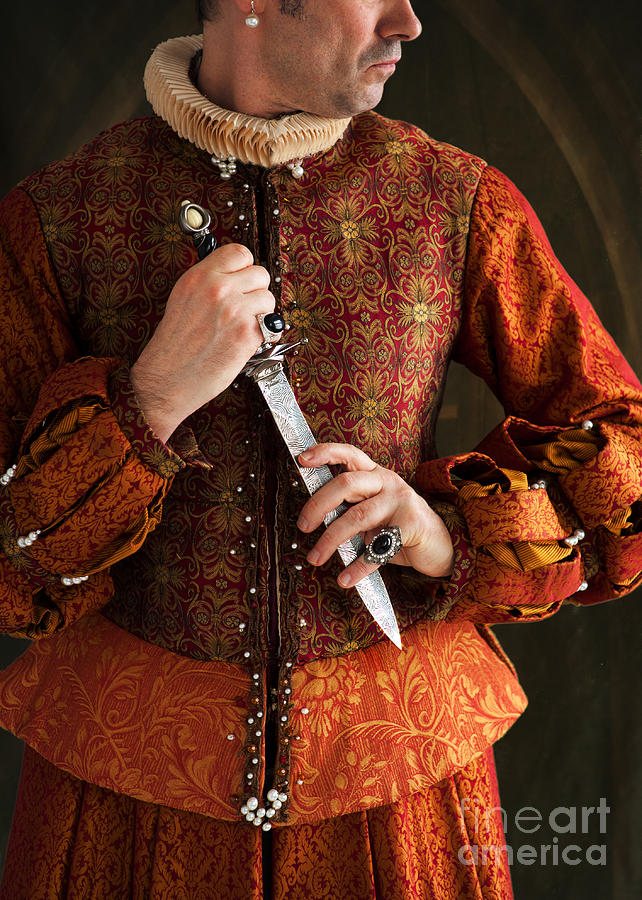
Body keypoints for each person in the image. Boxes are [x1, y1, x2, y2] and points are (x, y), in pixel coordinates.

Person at [0, 1, 640, 897]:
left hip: (401, 800)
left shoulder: (452, 200)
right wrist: (151, 396)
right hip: (125, 807)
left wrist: (444, 529)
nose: (409, 21)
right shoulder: (60, 218)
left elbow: (622, 451)